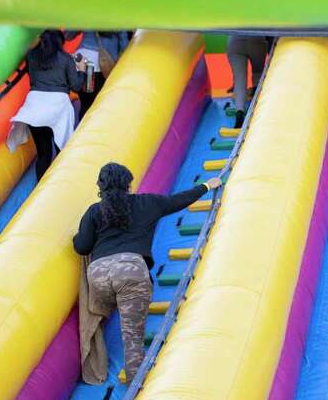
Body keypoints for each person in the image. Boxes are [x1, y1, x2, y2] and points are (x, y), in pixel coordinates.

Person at [72, 162, 221, 381]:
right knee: (132, 335)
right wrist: (206, 186)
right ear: (129, 184)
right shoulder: (146, 203)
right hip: (132, 272)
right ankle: (135, 384)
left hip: (99, 278)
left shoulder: (94, 211)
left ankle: (100, 344)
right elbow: (178, 201)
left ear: (100, 186)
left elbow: (82, 246)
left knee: (116, 298)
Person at [7, 29, 86, 181]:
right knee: (62, 151)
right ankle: (61, 184)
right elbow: (76, 86)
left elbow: (32, 79)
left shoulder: (31, 57)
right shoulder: (65, 59)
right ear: (59, 42)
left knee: (43, 155)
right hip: (58, 107)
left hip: (34, 107)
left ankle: (40, 190)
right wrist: (81, 70)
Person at [67, 30, 131, 118]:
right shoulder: (117, 19)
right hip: (100, 64)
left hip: (82, 59)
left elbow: (68, 36)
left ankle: (83, 128)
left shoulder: (89, 16)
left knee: (86, 103)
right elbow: (124, 44)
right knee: (101, 102)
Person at [226, 35, 270, 129]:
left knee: (239, 79)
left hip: (235, 41)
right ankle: (256, 96)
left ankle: (239, 114)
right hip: (257, 39)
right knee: (258, 72)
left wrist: (235, 84)